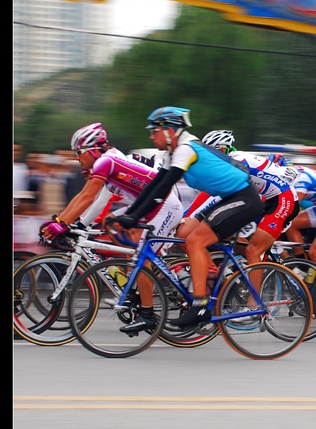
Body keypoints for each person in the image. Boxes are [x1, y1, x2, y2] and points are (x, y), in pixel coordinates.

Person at [107, 107, 264, 328]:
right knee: (186, 235)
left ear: (170, 130)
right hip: (229, 197)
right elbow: (153, 187)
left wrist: (133, 218)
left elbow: (163, 188)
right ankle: (207, 282)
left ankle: (200, 307)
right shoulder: (173, 153)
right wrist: (131, 215)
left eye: (155, 131)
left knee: (195, 241)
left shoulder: (186, 149)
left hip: (244, 198)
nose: (151, 136)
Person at [38, 123, 184, 333]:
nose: (77, 158)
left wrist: (62, 224)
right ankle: (133, 288)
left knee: (143, 256)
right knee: (111, 225)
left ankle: (148, 313)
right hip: (147, 206)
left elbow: (88, 197)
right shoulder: (110, 161)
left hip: (166, 205)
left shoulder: (107, 162)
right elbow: (90, 199)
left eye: (79, 153)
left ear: (94, 150)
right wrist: (64, 221)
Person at [182, 130, 300, 265]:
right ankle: (247, 267)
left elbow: (216, 198)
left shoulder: (237, 162)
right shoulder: (230, 161)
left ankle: (259, 266)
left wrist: (192, 217)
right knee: (228, 233)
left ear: (221, 149)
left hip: (280, 200)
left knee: (252, 250)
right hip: (263, 200)